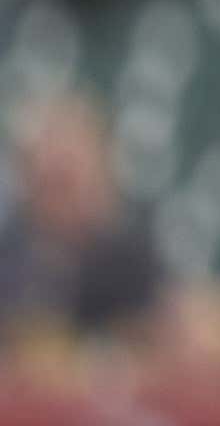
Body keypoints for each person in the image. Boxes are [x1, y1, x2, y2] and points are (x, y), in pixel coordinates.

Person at [0, 91, 164, 369]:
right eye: (53, 182)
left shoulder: (131, 260)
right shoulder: (8, 255)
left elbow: (152, 339)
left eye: (72, 178)